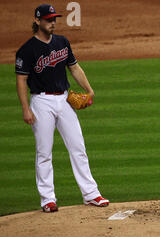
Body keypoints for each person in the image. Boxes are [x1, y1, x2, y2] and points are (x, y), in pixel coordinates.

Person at [15, 4, 109, 212]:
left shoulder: (62, 42)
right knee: (44, 152)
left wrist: (89, 89)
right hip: (41, 102)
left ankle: (91, 194)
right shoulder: (27, 50)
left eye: (54, 19)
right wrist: (25, 109)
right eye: (48, 19)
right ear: (37, 21)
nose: (52, 22)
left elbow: (74, 67)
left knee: (78, 147)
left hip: (64, 100)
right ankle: (48, 199)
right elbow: (21, 80)